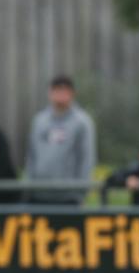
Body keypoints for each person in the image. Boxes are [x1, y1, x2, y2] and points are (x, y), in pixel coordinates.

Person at [25, 75, 96, 204]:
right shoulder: (39, 120)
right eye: (56, 90)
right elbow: (31, 156)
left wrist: (81, 191)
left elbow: (86, 159)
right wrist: (28, 186)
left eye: (64, 91)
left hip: (68, 197)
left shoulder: (82, 122)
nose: (60, 95)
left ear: (72, 94)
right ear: (50, 93)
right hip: (38, 195)